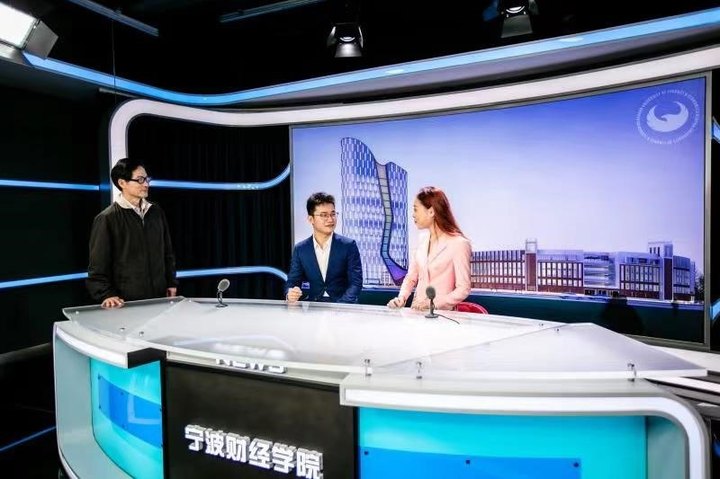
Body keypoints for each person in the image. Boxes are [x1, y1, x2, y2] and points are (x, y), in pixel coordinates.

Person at [87, 157, 177, 308]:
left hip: (160, 298)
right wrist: (106, 294)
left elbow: (167, 252)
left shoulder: (156, 212)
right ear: (122, 183)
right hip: (126, 303)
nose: (146, 184)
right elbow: (97, 266)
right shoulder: (107, 218)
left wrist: (171, 282)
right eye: (140, 180)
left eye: (147, 179)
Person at [387, 186, 471, 311]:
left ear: (431, 212)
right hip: (416, 312)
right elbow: (411, 278)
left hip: (442, 315)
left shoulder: (459, 244)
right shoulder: (422, 240)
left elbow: (463, 288)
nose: (413, 215)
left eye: (416, 210)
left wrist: (434, 304)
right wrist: (401, 298)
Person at [286, 192, 362, 303]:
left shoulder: (348, 245)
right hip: (314, 306)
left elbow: (356, 283)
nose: (330, 219)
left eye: (333, 214)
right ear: (311, 219)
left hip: (343, 305)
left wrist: (340, 307)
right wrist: (290, 293)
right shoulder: (301, 249)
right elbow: (293, 281)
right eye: (324, 215)